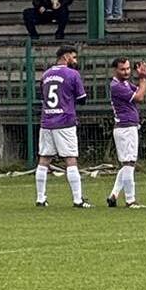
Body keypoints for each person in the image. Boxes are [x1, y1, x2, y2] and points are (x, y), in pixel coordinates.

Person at [35, 45, 89, 208]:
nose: (75, 60)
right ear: (66, 57)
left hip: (47, 121)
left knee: (44, 159)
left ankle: (40, 198)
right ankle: (78, 199)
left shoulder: (45, 74)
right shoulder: (72, 74)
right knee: (70, 159)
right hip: (65, 121)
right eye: (74, 57)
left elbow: (42, 95)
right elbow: (82, 98)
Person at [105, 57, 146, 208]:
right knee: (129, 164)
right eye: (122, 69)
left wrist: (142, 80)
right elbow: (139, 97)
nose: (126, 72)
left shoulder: (124, 83)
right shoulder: (116, 86)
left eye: (128, 69)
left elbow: (139, 91)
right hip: (125, 128)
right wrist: (143, 78)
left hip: (127, 127)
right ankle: (130, 200)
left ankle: (113, 195)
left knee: (127, 164)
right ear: (115, 70)